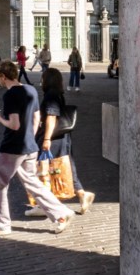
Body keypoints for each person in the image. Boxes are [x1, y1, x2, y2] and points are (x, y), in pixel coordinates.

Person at [0, 60, 75, 237]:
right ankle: (60, 213)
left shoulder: (10, 95)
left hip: (12, 148)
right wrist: (30, 139)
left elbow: (14, 124)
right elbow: (36, 119)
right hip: (30, 147)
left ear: (3, 76)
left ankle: (0, 225)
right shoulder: (31, 90)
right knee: (32, 182)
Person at [26, 67, 95, 217]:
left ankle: (43, 204)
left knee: (45, 169)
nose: (41, 81)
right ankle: (82, 194)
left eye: (43, 78)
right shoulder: (57, 94)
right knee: (65, 167)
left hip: (53, 138)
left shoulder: (51, 96)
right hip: (62, 138)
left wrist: (46, 139)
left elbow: (51, 117)